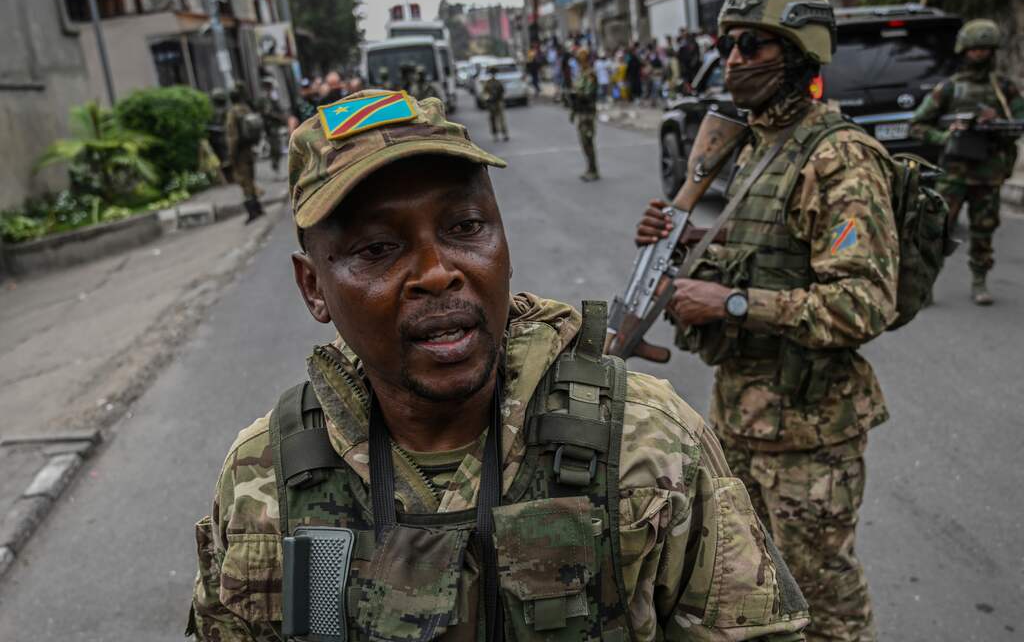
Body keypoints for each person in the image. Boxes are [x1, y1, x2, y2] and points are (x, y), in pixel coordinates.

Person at [187, 89, 810, 641]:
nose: (437, 272)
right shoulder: (262, 476)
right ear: (313, 287)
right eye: (378, 248)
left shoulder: (650, 442)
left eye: (466, 226)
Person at [636, 0, 898, 642]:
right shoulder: (757, 145)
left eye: (753, 46)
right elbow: (767, 252)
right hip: (742, 419)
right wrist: (688, 243)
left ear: (797, 52)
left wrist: (730, 301)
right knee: (750, 594)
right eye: (730, 45)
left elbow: (864, 302)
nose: (733, 60)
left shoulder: (840, 159)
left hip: (810, 433)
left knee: (825, 607)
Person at [910, 18, 1024, 305]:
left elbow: (1019, 122)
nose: (980, 55)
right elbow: (917, 126)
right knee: (939, 230)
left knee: (983, 230)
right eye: (975, 49)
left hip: (988, 173)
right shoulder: (949, 89)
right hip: (954, 174)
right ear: (964, 51)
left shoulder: (1004, 88)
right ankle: (926, 285)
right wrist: (946, 136)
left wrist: (998, 123)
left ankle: (979, 281)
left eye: (985, 49)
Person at [224, 83, 265, 223]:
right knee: (251, 178)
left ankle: (253, 211)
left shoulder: (232, 112)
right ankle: (258, 207)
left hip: (240, 153)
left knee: (244, 181)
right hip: (249, 149)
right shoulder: (246, 109)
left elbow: (232, 136)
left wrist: (231, 154)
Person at [571, 48, 600, 181]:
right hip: (580, 112)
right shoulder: (581, 74)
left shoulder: (590, 74)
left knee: (588, 142)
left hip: (587, 113)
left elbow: (588, 94)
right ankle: (589, 168)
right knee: (584, 143)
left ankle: (593, 170)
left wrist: (576, 95)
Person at [257, 76, 287, 176]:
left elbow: (277, 108)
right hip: (270, 127)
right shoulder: (264, 98)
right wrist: (279, 117)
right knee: (275, 148)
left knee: (277, 147)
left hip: (274, 126)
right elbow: (267, 112)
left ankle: (276, 167)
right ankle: (276, 168)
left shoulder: (271, 97)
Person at [207, 87, 232, 183]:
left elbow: (227, 123)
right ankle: (225, 178)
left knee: (226, 157)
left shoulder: (225, 110)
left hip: (222, 136)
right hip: (214, 136)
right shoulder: (212, 109)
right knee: (220, 158)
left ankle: (230, 177)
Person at [481, 66, 508, 141]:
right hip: (492, 103)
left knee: (501, 119)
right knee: (493, 119)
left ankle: (504, 134)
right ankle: (496, 134)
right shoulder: (488, 83)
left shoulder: (497, 82)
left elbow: (502, 92)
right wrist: (488, 99)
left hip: (498, 102)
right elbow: (485, 93)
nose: (493, 74)